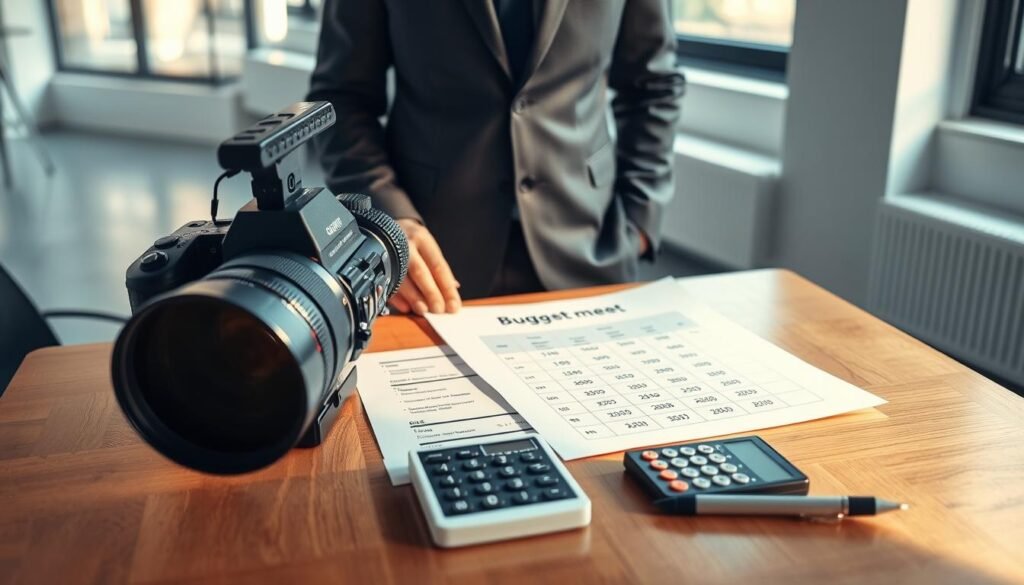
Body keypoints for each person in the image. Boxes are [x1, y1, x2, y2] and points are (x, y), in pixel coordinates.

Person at [309, 0, 684, 315]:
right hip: (432, 263)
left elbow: (653, 85)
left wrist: (641, 217)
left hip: (591, 244)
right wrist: (391, 219)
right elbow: (342, 97)